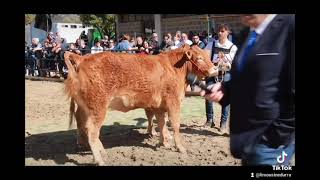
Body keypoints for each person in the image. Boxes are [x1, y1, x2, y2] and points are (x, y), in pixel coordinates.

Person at [200, 14, 295, 166]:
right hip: (246, 143)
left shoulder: (289, 27)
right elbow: (246, 78)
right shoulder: (246, 34)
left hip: (272, 147)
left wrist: (279, 134)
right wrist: (225, 89)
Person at [203, 24, 238, 134]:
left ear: (228, 32)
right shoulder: (210, 44)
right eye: (219, 31)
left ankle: (223, 123)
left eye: (222, 31)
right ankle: (209, 120)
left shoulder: (232, 47)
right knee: (208, 95)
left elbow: (233, 64)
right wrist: (212, 65)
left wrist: (224, 64)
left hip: (225, 73)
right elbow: (205, 58)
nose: (220, 33)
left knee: (226, 99)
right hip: (212, 71)